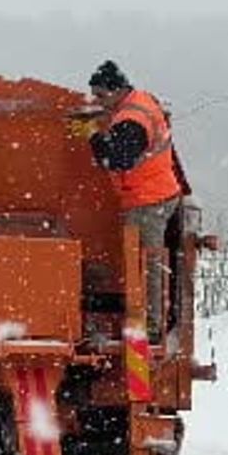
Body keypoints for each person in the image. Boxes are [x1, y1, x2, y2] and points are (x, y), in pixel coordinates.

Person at [83, 60, 190, 341]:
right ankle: (149, 321)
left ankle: (151, 326)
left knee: (146, 262)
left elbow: (117, 159)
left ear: (117, 90)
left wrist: (93, 136)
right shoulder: (138, 104)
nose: (99, 102)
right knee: (147, 261)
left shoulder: (132, 118)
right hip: (156, 193)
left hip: (148, 199)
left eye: (101, 95)